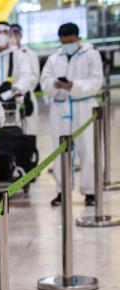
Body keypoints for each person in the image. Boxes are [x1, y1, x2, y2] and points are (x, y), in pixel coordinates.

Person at [41, 22, 104, 206]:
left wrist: (73, 86)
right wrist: (56, 85)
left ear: (77, 38)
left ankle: (90, 191)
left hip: (83, 106)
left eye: (71, 40)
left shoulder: (91, 54)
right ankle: (62, 190)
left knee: (88, 149)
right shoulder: (54, 58)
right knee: (60, 150)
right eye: (64, 41)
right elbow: (45, 81)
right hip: (60, 108)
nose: (68, 44)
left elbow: (96, 81)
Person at [0, 22, 38, 118]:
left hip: (14, 105)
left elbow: (26, 75)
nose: (1, 35)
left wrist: (17, 88)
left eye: (5, 32)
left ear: (10, 35)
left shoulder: (19, 55)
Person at [10, 23, 42, 120]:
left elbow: (35, 76)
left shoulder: (30, 53)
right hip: (9, 97)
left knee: (29, 129)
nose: (14, 37)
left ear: (21, 35)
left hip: (26, 94)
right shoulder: (6, 55)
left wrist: (21, 87)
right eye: (11, 34)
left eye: (17, 34)